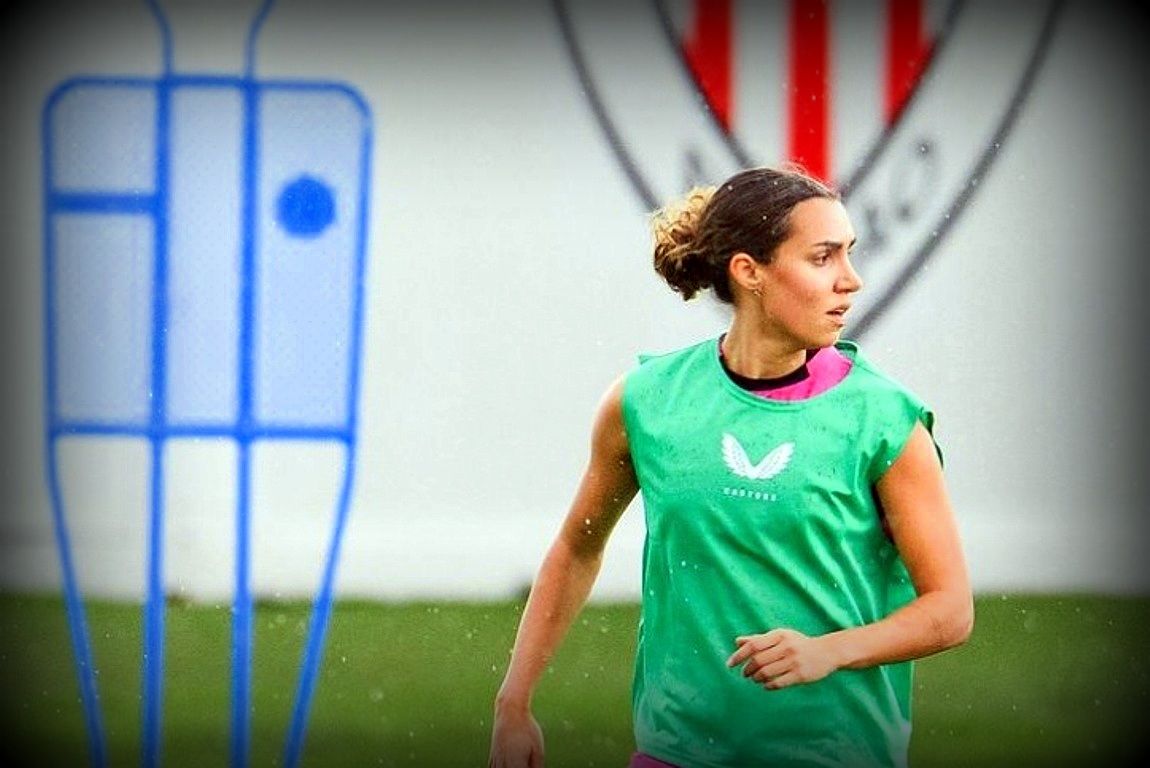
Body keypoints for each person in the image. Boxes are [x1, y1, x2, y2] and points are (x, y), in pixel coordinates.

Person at [489, 165, 972, 768]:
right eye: (823, 258)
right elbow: (577, 549)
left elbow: (950, 609)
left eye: (849, 254)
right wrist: (514, 702)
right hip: (676, 753)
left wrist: (829, 651)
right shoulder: (646, 401)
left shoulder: (884, 420)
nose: (851, 280)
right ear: (749, 273)